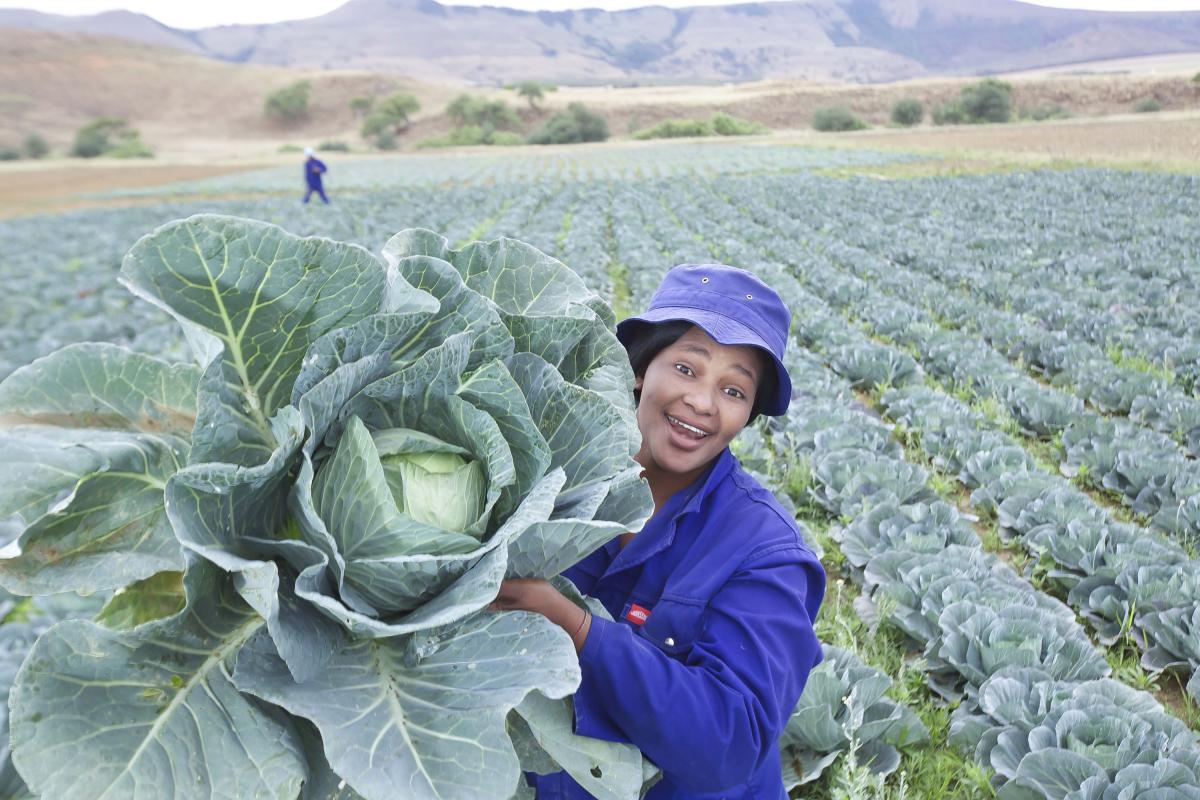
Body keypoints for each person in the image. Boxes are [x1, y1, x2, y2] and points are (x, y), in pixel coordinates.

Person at [491, 263, 826, 799]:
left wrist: (576, 627)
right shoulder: (552, 480)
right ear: (642, 368)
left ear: (747, 416)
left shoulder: (768, 553)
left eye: (735, 391)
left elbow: (730, 743)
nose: (702, 402)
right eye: (687, 369)